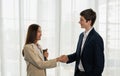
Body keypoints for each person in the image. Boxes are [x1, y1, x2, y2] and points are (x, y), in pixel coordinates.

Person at [60, 8, 105, 76]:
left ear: (89, 21)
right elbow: (79, 54)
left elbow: (99, 66)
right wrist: (67, 58)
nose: (79, 22)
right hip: (79, 73)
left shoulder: (97, 39)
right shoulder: (81, 36)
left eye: (82, 20)